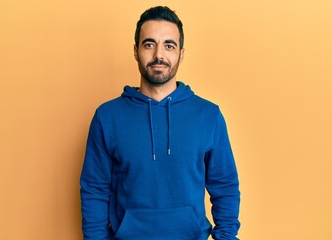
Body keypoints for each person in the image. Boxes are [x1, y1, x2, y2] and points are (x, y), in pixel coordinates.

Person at [80, 6, 241, 240]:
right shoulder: (107, 116)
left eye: (169, 45)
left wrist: (226, 237)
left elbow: (224, 184)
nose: (159, 55)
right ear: (136, 51)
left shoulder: (208, 115)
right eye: (149, 44)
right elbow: (94, 189)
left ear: (181, 54)